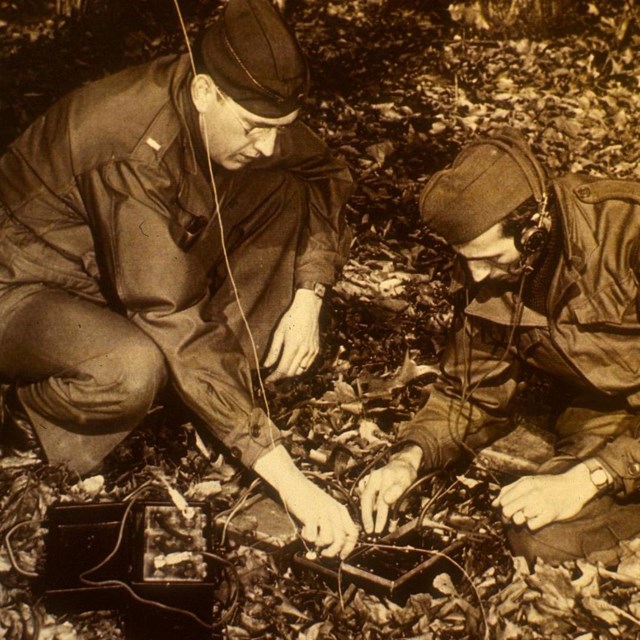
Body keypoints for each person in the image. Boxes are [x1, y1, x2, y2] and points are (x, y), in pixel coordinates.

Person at [0, 0, 357, 558]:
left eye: (278, 129)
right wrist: (295, 487)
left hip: (115, 273)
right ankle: (21, 422)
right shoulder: (131, 141)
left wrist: (310, 294)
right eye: (255, 129)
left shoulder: (238, 105)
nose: (268, 145)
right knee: (129, 368)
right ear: (205, 92)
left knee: (285, 188)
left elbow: (325, 172)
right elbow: (167, 311)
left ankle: (218, 405)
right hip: (25, 287)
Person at [360, 127, 640, 565]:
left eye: (489, 259)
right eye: (465, 259)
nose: (475, 277)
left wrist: (593, 476)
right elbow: (472, 393)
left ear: (533, 227)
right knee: (539, 536)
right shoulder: (486, 270)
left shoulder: (628, 233)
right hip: (610, 415)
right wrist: (409, 459)